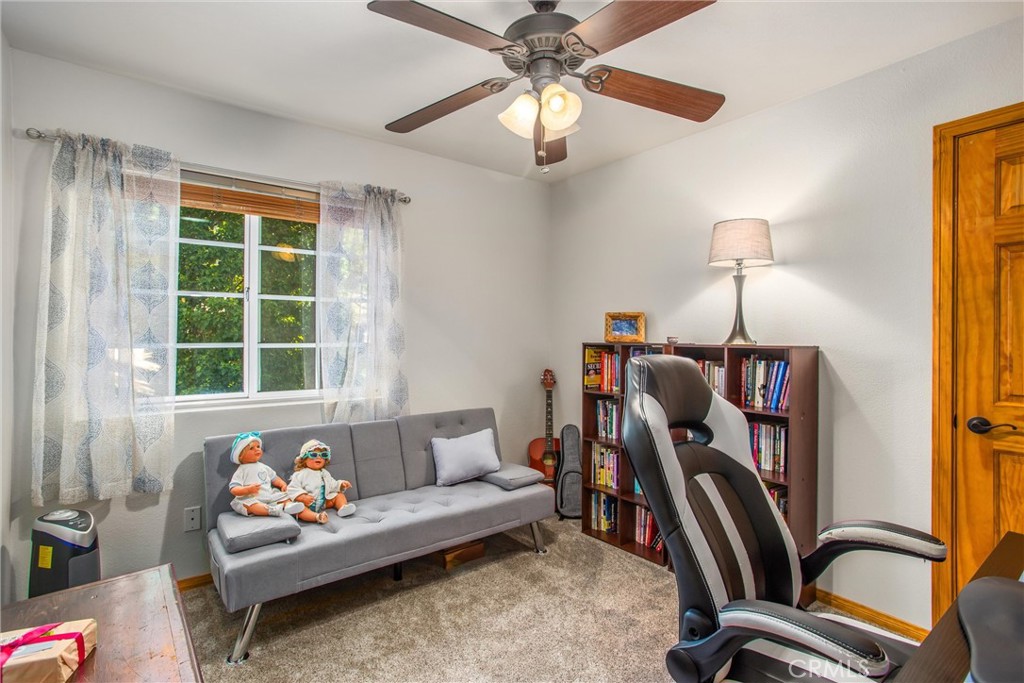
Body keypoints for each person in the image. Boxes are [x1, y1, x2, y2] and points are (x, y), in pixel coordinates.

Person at [228, 431, 309, 520]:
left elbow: (274, 478)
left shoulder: (263, 467)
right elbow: (233, 489)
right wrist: (247, 490)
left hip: (269, 496)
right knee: (250, 505)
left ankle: (289, 506)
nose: (257, 449)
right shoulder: (241, 470)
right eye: (251, 448)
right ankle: (271, 510)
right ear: (240, 455)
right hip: (252, 498)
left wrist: (282, 484)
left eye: (258, 447)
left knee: (285, 496)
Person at [290, 439, 356, 519]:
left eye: (323, 455)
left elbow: (332, 485)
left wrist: (341, 485)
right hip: (307, 503)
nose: (319, 457)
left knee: (339, 495)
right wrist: (302, 497)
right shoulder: (300, 474)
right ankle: (317, 517)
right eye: (314, 455)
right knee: (300, 510)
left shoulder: (325, 473)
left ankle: (343, 507)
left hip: (324, 502)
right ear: (304, 459)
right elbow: (292, 488)